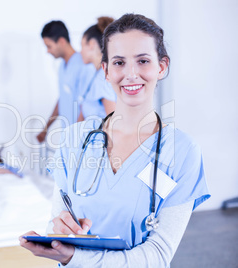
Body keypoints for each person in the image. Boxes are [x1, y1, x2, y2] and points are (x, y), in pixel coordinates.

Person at [20, 14, 210, 267]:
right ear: (106, 71)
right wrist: (58, 232)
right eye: (119, 62)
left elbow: (158, 255)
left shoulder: (183, 152)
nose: (131, 74)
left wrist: (76, 256)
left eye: (143, 61)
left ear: (162, 67)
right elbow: (58, 221)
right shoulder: (75, 139)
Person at [36, 20, 96, 143]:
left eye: (49, 46)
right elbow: (63, 99)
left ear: (62, 41)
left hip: (82, 137)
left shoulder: (84, 65)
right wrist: (46, 128)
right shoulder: (62, 67)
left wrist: (78, 137)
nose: (48, 51)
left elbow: (88, 105)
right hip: (69, 137)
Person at [77, 17, 116, 122]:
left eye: (82, 45)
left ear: (92, 45)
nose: (80, 52)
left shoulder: (103, 77)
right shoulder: (97, 74)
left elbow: (113, 122)